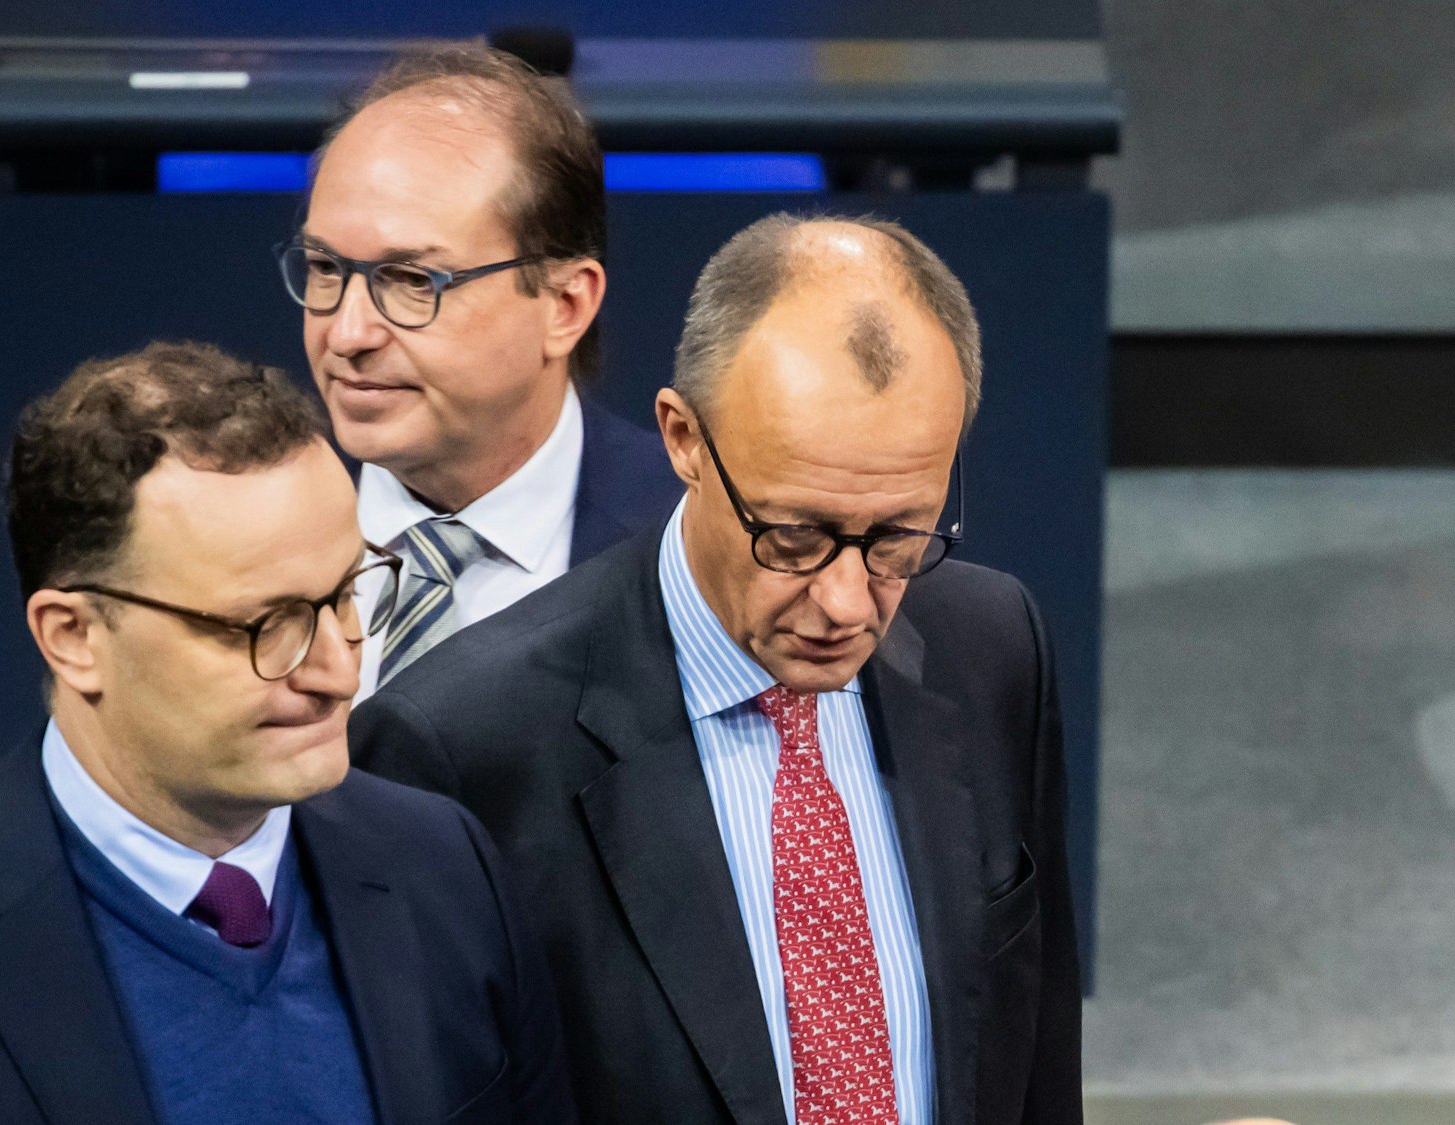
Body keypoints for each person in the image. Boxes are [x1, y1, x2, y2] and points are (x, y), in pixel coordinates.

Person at [0, 341, 574, 1125]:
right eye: (262, 623)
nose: (338, 667)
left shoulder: (448, 867)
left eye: (346, 594)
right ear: (73, 637)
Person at [353, 215, 1082, 1125]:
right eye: (795, 536)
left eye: (900, 535)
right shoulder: (455, 748)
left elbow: (1036, 1064)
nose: (849, 602)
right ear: (683, 439)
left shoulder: (995, 645)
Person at [279, 45, 681, 695]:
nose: (347, 333)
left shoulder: (696, 548)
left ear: (564, 304)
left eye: (411, 280)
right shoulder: (239, 548)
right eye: (326, 269)